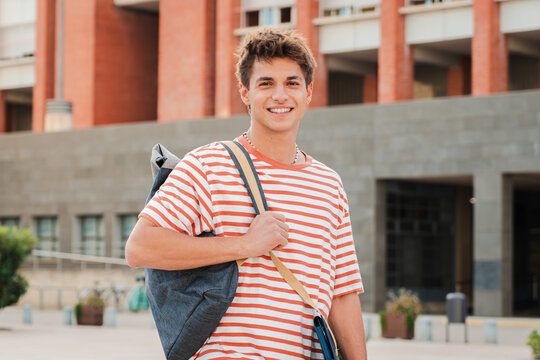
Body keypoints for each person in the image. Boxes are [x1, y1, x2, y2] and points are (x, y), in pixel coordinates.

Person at [126, 28, 367, 360]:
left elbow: (341, 295)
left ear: (308, 92)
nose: (280, 95)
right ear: (245, 92)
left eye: (292, 83)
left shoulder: (329, 184)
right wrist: (246, 245)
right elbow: (140, 247)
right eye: (265, 83)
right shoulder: (208, 166)